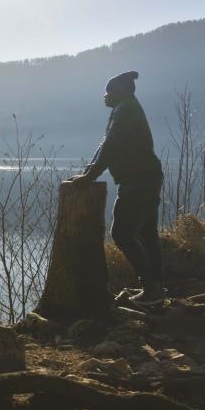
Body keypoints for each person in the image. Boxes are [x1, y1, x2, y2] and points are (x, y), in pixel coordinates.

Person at [69, 71, 165, 304]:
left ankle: (151, 289)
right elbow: (106, 144)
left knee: (121, 233)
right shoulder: (126, 108)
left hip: (138, 182)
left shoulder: (125, 110)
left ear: (120, 91)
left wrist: (89, 177)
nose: (105, 96)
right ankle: (155, 288)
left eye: (109, 91)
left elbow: (111, 146)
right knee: (147, 234)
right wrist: (90, 170)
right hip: (148, 178)